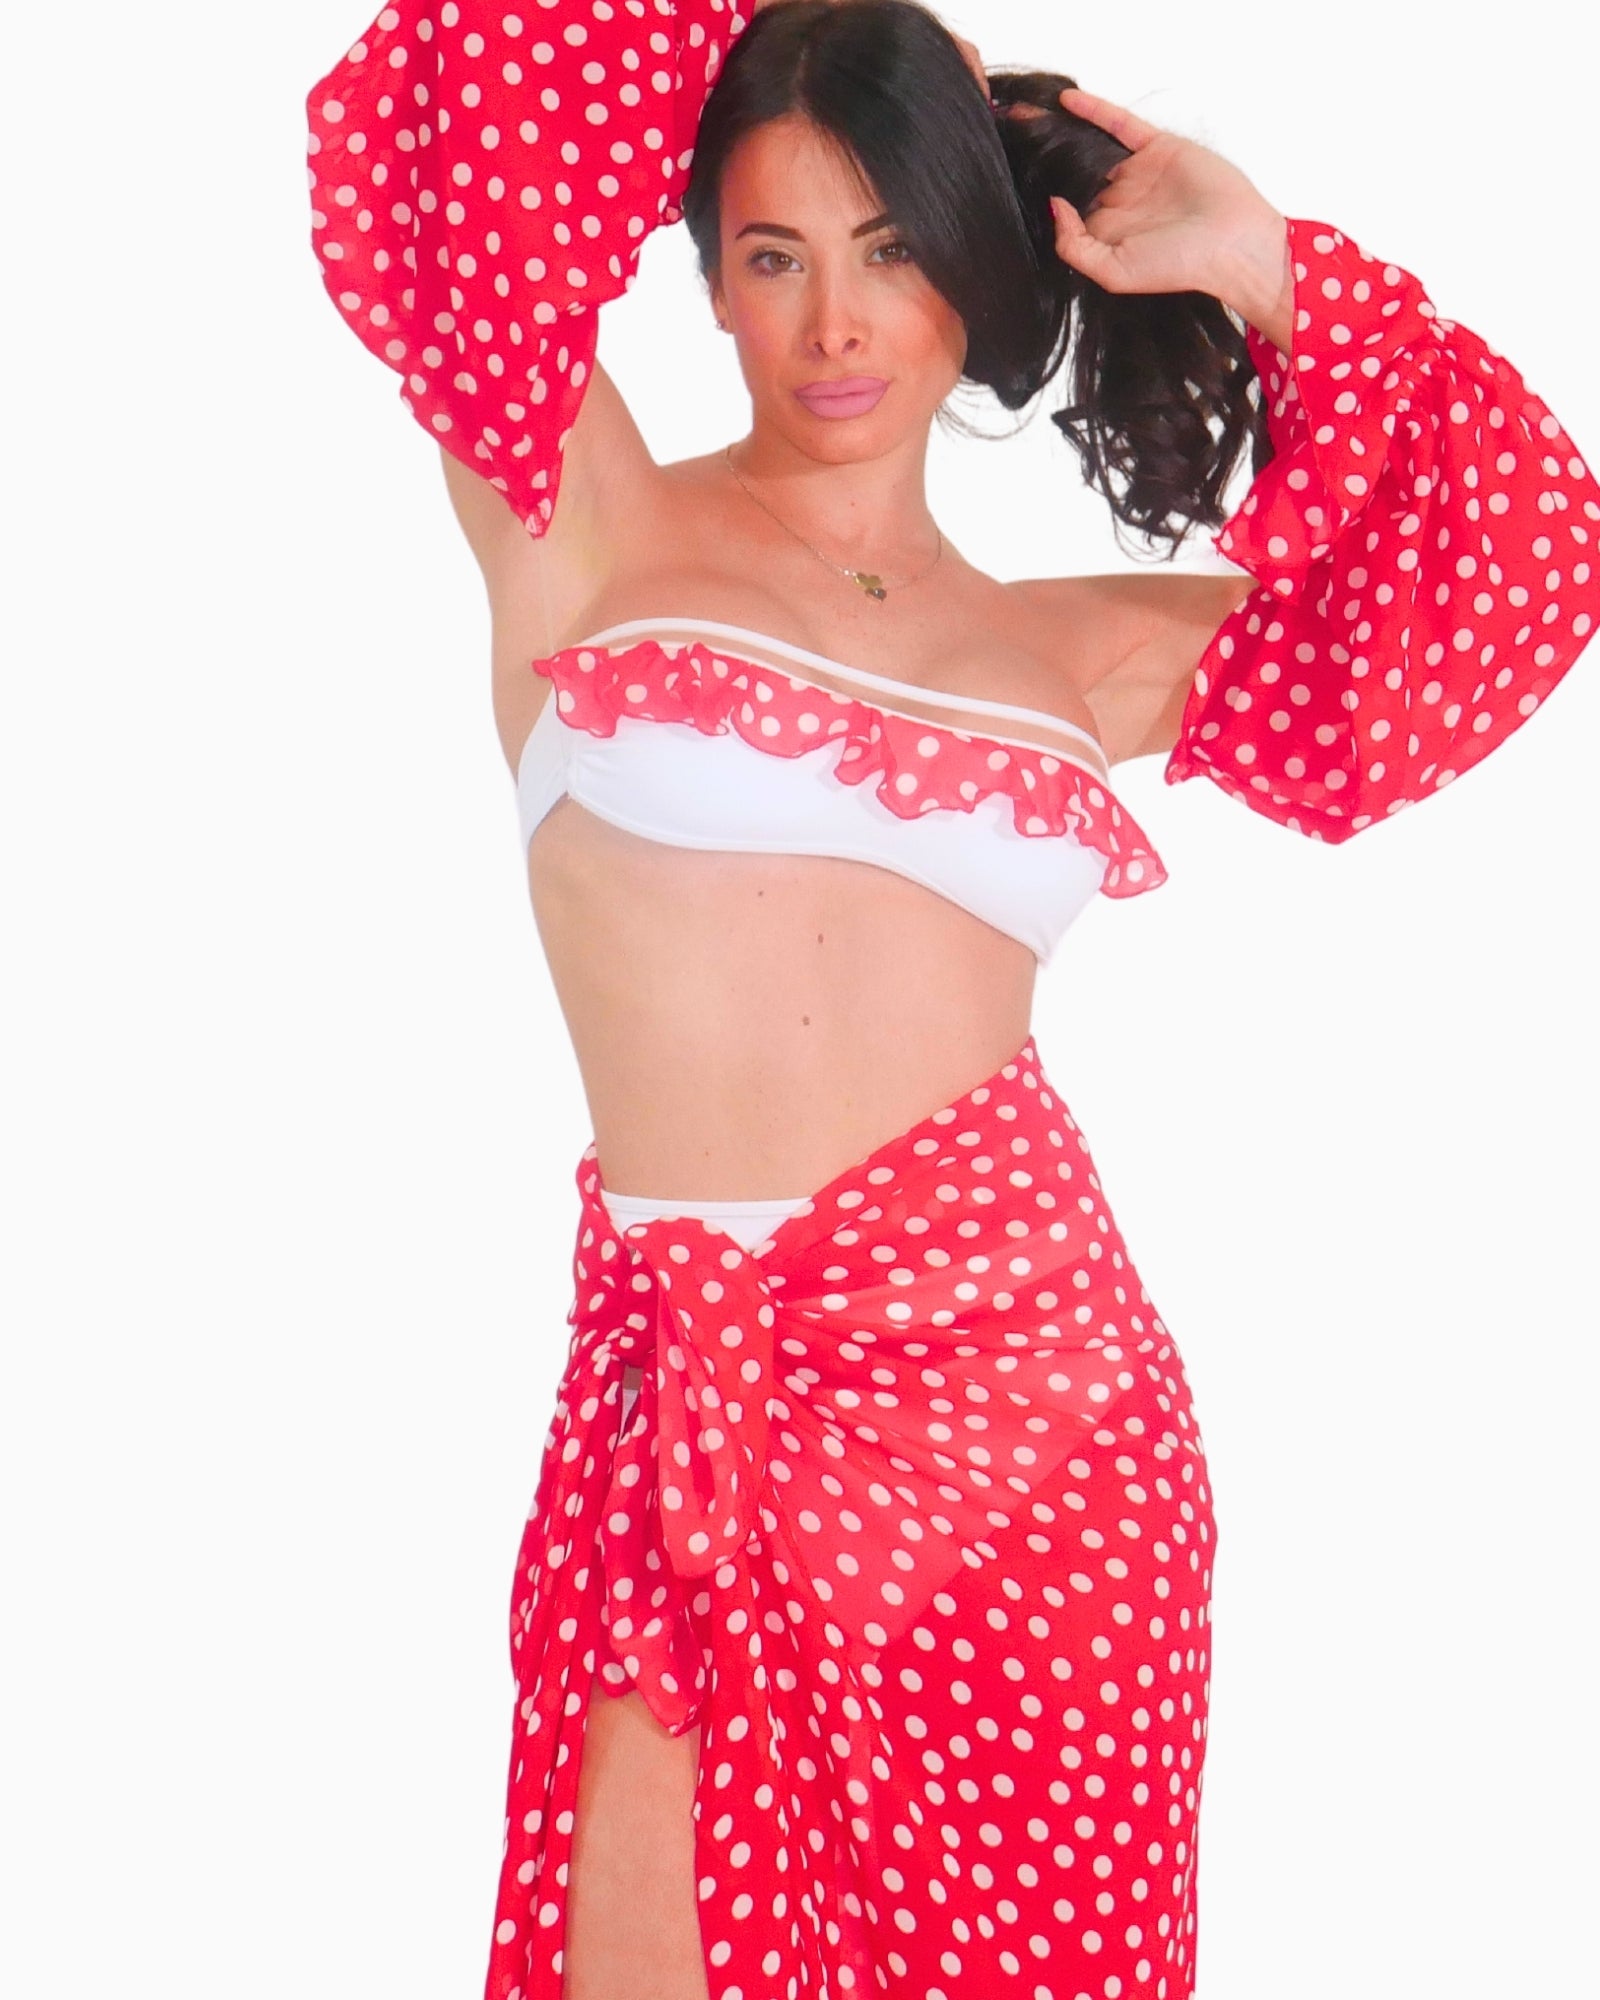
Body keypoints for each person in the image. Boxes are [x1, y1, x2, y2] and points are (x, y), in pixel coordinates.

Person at [304, 2, 1598, 1995]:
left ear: (970, 271)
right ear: (704, 278)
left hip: (1039, 1443)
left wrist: (1260, 263)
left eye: (893, 245)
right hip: (703, 1415)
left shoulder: (1071, 649)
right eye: (773, 254)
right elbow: (451, 113)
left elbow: (1513, 573)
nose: (836, 323)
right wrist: (792, 51)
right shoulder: (581, 509)